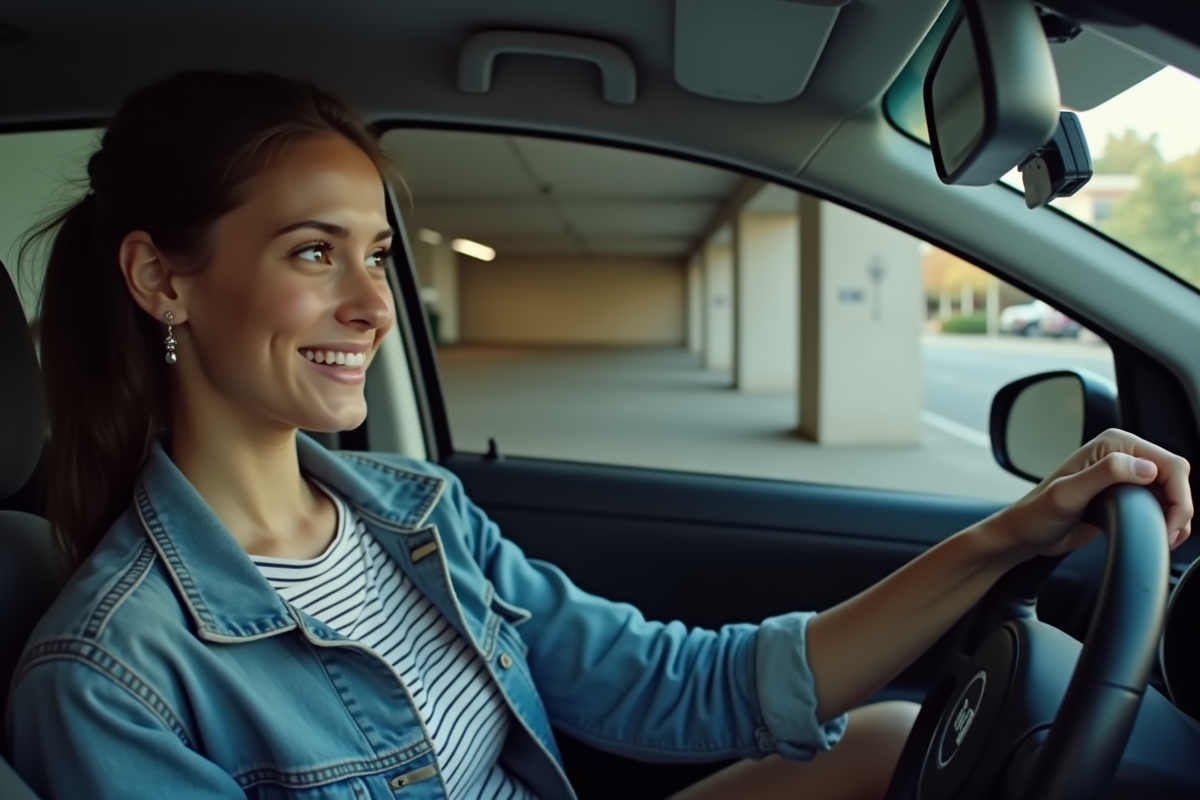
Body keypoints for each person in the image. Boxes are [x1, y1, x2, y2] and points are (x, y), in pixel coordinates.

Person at [3, 71, 1192, 800]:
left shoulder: (416, 515)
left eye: (376, 254)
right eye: (314, 252)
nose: (373, 305)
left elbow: (686, 683)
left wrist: (1009, 533)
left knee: (890, 737)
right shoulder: (109, 679)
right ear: (164, 279)